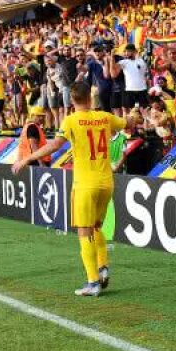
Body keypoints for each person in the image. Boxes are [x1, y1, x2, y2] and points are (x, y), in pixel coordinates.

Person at [13, 82, 126, 296]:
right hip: (106, 182)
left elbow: (55, 145)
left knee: (84, 231)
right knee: (97, 227)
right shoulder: (104, 117)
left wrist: (26, 158)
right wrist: (137, 115)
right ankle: (102, 268)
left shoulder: (71, 120)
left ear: (72, 101)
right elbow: (126, 123)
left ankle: (93, 282)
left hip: (85, 184)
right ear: (90, 99)